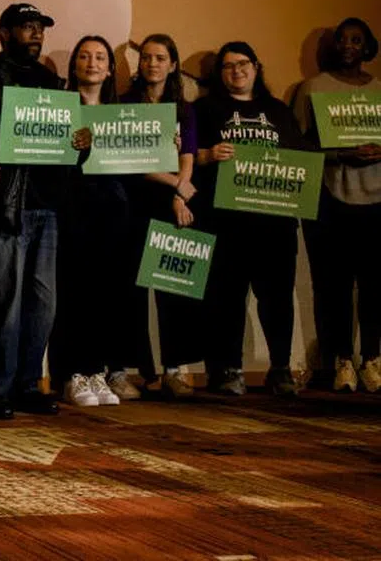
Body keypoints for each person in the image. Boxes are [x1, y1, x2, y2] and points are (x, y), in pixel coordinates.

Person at [0, 3, 84, 420]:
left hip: (46, 206)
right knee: (1, 300)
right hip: (1, 205)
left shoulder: (53, 81)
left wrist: (79, 141)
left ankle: (29, 384)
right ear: (5, 33)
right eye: (27, 28)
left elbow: (65, 140)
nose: (35, 35)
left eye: (39, 29)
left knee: (41, 303)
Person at [195, 41, 305, 397]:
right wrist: (209, 154)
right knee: (225, 299)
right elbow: (181, 153)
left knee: (277, 299)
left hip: (275, 225)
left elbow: (299, 159)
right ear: (219, 73)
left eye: (242, 64)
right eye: (227, 66)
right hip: (225, 223)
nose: (236, 71)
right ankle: (228, 369)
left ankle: (280, 367)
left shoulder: (279, 110)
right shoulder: (205, 109)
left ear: (256, 68)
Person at [293, 17, 381, 392]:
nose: (348, 45)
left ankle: (372, 359)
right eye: (342, 39)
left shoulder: (380, 90)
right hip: (331, 198)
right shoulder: (314, 87)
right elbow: (298, 145)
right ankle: (343, 359)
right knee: (335, 285)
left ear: (367, 47)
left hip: (377, 198)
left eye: (356, 40)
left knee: (375, 285)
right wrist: (339, 154)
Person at [120, 34, 202, 398]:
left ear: (172, 64)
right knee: (131, 291)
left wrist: (179, 196)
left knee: (175, 289)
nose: (151, 64)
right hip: (132, 205)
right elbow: (133, 161)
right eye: (146, 58)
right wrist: (176, 186)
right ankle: (134, 370)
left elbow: (187, 156)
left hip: (172, 208)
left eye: (159, 58)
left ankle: (175, 370)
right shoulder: (125, 104)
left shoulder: (184, 109)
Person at [51, 36, 130, 407]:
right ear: (74, 65)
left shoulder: (123, 112)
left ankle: (96, 371)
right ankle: (71, 375)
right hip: (72, 211)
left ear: (110, 68)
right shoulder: (61, 107)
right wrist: (71, 144)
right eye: (84, 56)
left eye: (100, 57)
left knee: (105, 297)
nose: (92, 62)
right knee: (72, 294)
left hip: (112, 213)